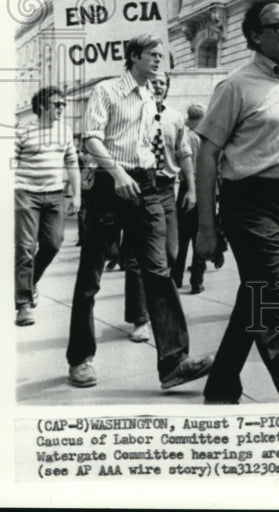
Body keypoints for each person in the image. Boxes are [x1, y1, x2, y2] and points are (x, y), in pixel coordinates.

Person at [195, 0, 279, 404]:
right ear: (255, 36)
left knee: (257, 293)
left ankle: (220, 385)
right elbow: (207, 154)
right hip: (251, 204)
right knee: (276, 305)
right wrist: (205, 226)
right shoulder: (235, 86)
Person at [66, 34, 212, 391]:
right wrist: (116, 173)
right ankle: (80, 358)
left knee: (158, 271)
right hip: (108, 185)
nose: (159, 60)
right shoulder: (108, 91)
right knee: (91, 277)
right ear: (133, 57)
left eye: (161, 55)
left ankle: (175, 363)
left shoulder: (151, 97)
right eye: (153, 54)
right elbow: (91, 138)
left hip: (146, 187)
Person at [123, 70, 196, 342]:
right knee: (135, 258)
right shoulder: (129, 114)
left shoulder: (175, 118)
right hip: (138, 187)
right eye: (153, 82)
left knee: (171, 253)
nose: (158, 86)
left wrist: (191, 188)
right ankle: (140, 319)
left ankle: (156, 309)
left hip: (165, 189)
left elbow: (184, 153)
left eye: (163, 83)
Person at [15, 87, 81, 326]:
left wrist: (76, 195)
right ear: (42, 106)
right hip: (26, 194)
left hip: (54, 195)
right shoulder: (22, 131)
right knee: (25, 247)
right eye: (57, 104)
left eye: (63, 104)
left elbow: (72, 163)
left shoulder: (64, 131)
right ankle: (23, 304)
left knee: (53, 243)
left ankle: (29, 281)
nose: (61, 108)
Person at [172, 103, 220, 293]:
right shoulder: (208, 139)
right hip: (206, 188)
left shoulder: (185, 136)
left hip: (186, 187)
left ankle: (175, 278)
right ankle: (197, 281)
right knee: (201, 234)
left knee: (182, 237)